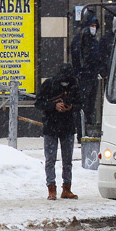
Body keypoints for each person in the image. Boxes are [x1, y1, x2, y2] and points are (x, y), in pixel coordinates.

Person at [37, 67, 82, 199]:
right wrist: (53, 106)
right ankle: (51, 188)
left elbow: (80, 104)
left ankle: (66, 188)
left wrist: (71, 107)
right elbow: (38, 103)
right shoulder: (49, 85)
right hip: (51, 126)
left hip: (67, 126)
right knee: (50, 159)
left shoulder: (74, 86)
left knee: (67, 160)